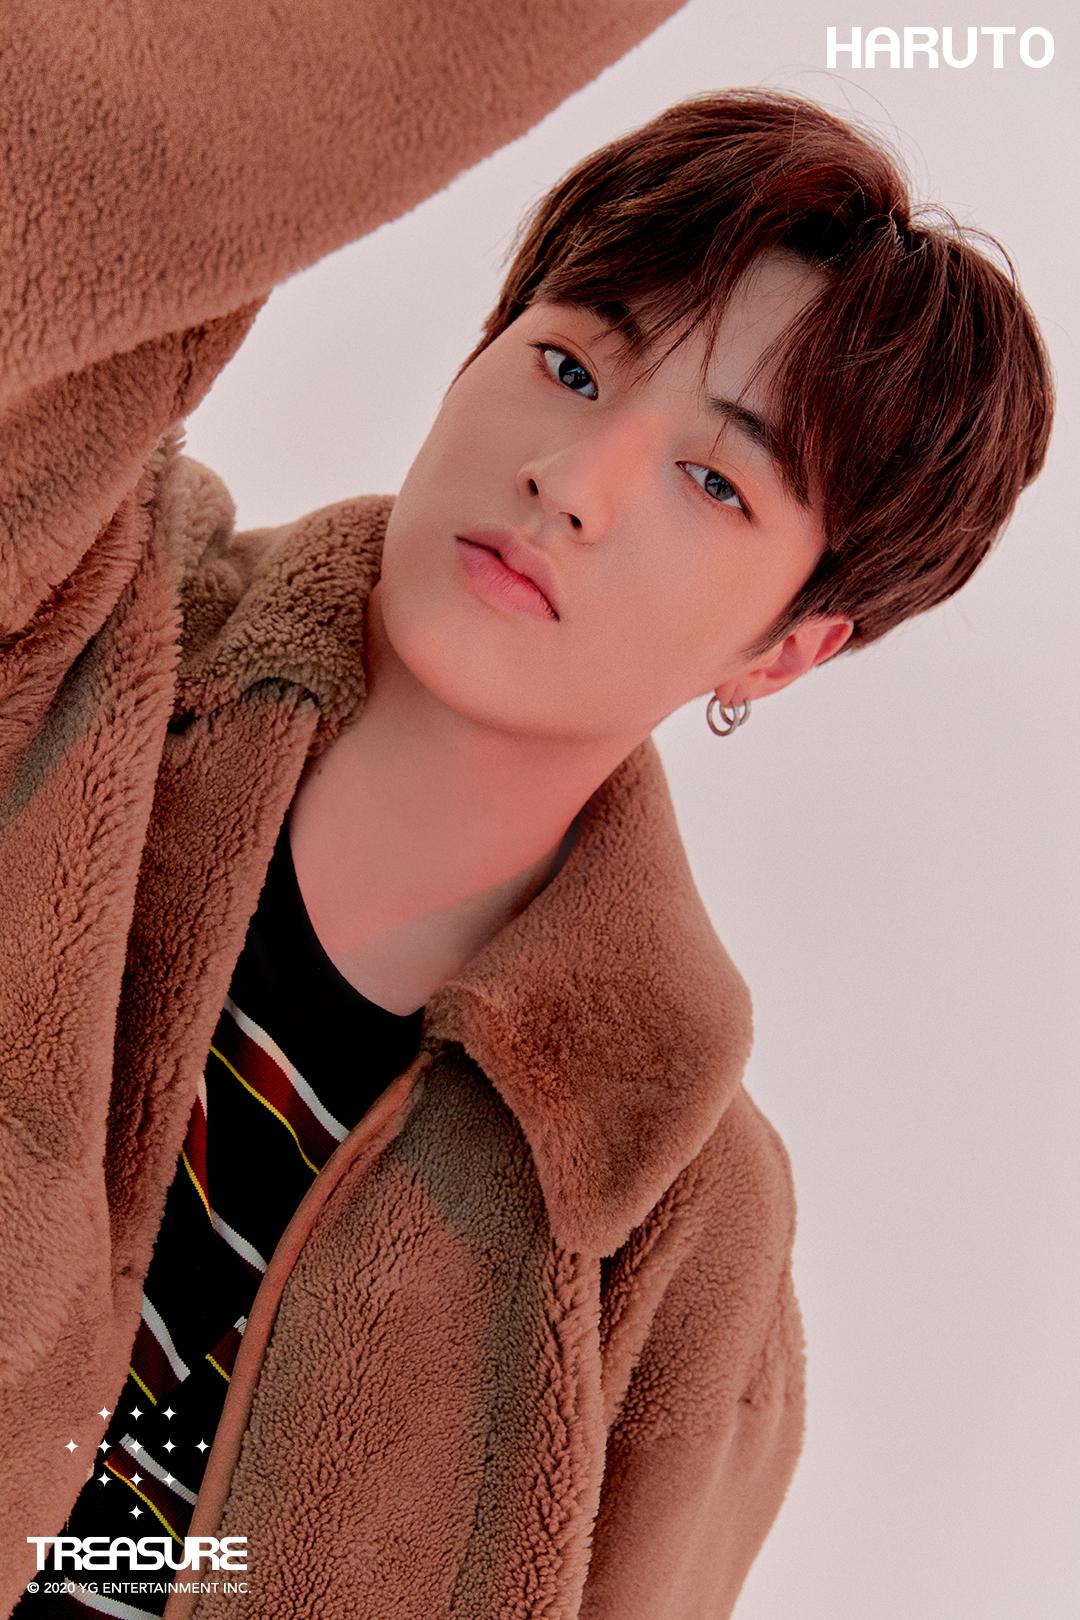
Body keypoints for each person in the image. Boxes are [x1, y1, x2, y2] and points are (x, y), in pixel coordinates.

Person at [0, 1, 1053, 1616]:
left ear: (789, 646)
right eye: (569, 364)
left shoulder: (681, 1234)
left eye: (716, 479)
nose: (576, 476)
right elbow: (69, 175)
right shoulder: (72, 614)